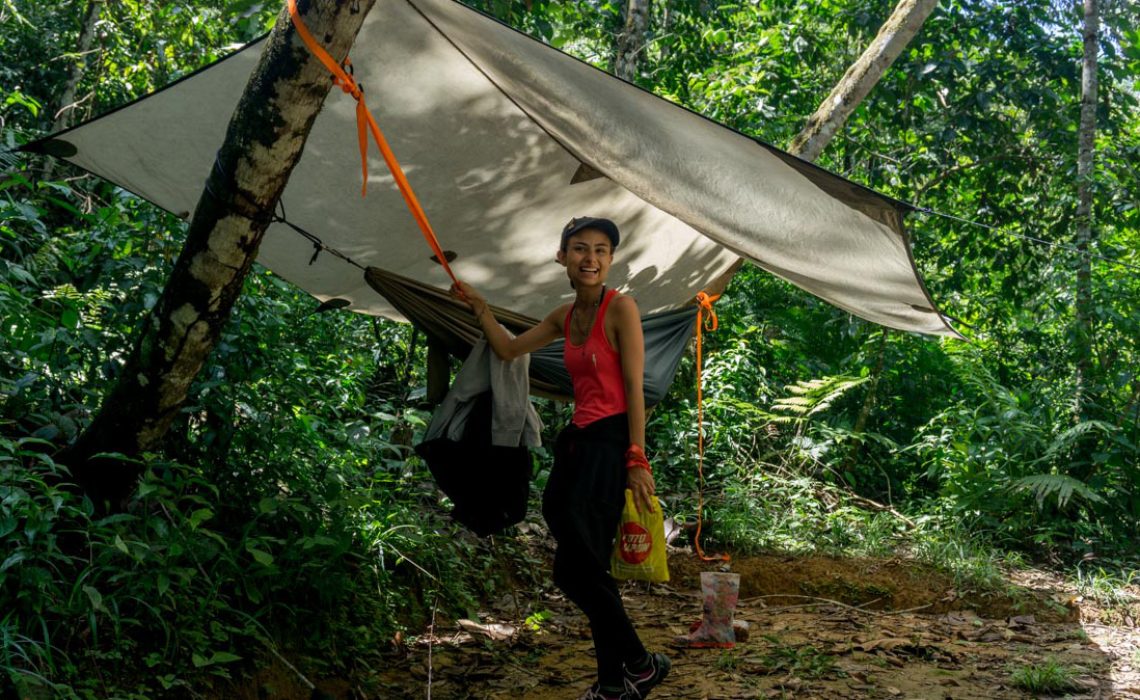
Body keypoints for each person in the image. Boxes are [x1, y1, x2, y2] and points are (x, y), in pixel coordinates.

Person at [450, 217, 671, 700]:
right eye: (579, 249)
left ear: (610, 260)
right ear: (562, 257)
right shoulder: (563, 316)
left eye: (600, 250)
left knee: (577, 569)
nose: (590, 258)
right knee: (583, 565)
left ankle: (633, 665)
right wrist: (481, 309)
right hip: (577, 441)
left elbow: (635, 388)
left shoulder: (622, 308)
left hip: (611, 444)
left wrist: (637, 457)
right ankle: (618, 681)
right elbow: (508, 350)